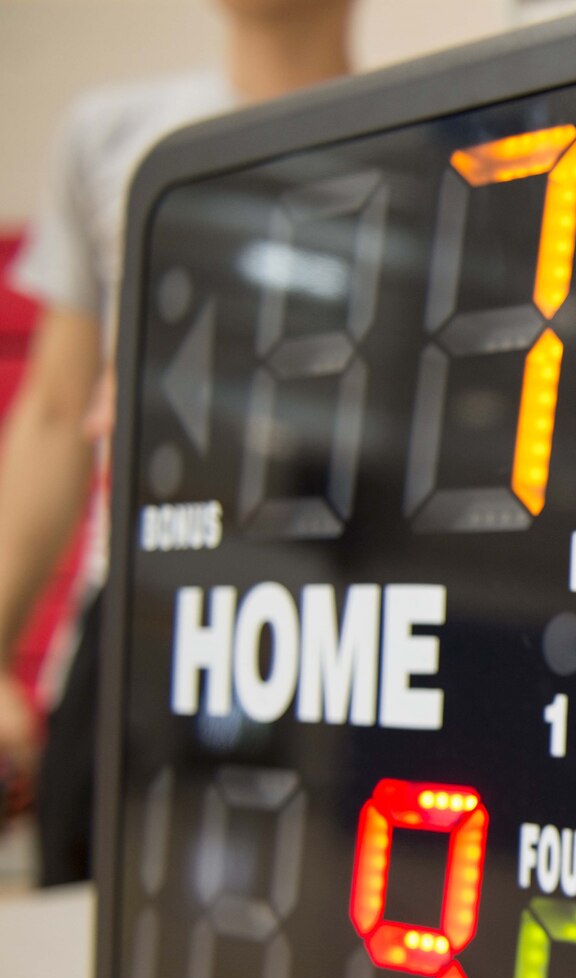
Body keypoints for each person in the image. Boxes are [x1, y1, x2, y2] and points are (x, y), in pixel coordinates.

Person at [0, 0, 358, 885]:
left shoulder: (434, 138)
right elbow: (54, 412)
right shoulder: (107, 135)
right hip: (136, 617)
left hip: (325, 632)